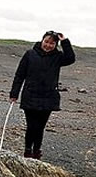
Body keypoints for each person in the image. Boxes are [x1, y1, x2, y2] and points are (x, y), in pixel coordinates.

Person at [9, 30, 75, 159]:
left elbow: (71, 58)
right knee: (31, 126)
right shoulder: (30, 54)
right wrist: (14, 93)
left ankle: (36, 151)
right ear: (42, 41)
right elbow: (19, 75)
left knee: (40, 127)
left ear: (56, 44)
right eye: (46, 42)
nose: (48, 45)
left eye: (52, 43)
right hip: (31, 95)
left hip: (48, 97)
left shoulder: (58, 57)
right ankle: (28, 151)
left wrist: (65, 41)